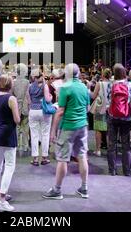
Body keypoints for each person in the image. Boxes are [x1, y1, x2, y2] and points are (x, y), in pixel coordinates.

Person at [42, 64, 90, 200]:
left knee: (62, 158)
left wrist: (53, 131)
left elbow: (60, 112)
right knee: (81, 156)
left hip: (68, 126)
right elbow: (87, 107)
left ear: (66, 74)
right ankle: (84, 188)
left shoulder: (65, 88)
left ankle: (57, 190)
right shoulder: (84, 87)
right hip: (83, 126)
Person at [0, 75, 21, 212]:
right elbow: (17, 119)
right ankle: (2, 199)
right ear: (10, 85)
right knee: (9, 166)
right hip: (8, 134)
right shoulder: (11, 98)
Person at [106, 63, 131, 176]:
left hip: (113, 116)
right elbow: (130, 100)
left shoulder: (110, 84)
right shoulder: (129, 85)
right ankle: (127, 171)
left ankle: (112, 170)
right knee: (126, 145)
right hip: (126, 117)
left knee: (112, 144)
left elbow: (108, 101)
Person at [27, 68, 53, 166]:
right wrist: (50, 97)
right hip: (43, 111)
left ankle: (35, 159)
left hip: (33, 111)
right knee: (45, 134)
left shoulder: (30, 86)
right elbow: (47, 99)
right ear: (41, 75)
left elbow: (29, 100)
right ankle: (44, 158)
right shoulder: (45, 86)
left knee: (34, 135)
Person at [90, 68, 111, 156]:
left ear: (102, 75)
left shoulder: (99, 83)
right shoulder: (112, 84)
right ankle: (110, 150)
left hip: (100, 107)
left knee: (98, 129)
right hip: (110, 108)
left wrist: (89, 90)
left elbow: (94, 96)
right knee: (109, 129)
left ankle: (98, 150)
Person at [12, 63, 30, 153]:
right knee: (25, 127)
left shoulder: (13, 82)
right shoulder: (27, 82)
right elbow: (27, 95)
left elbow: (11, 95)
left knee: (16, 127)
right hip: (25, 106)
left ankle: (16, 145)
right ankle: (25, 146)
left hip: (16, 106)